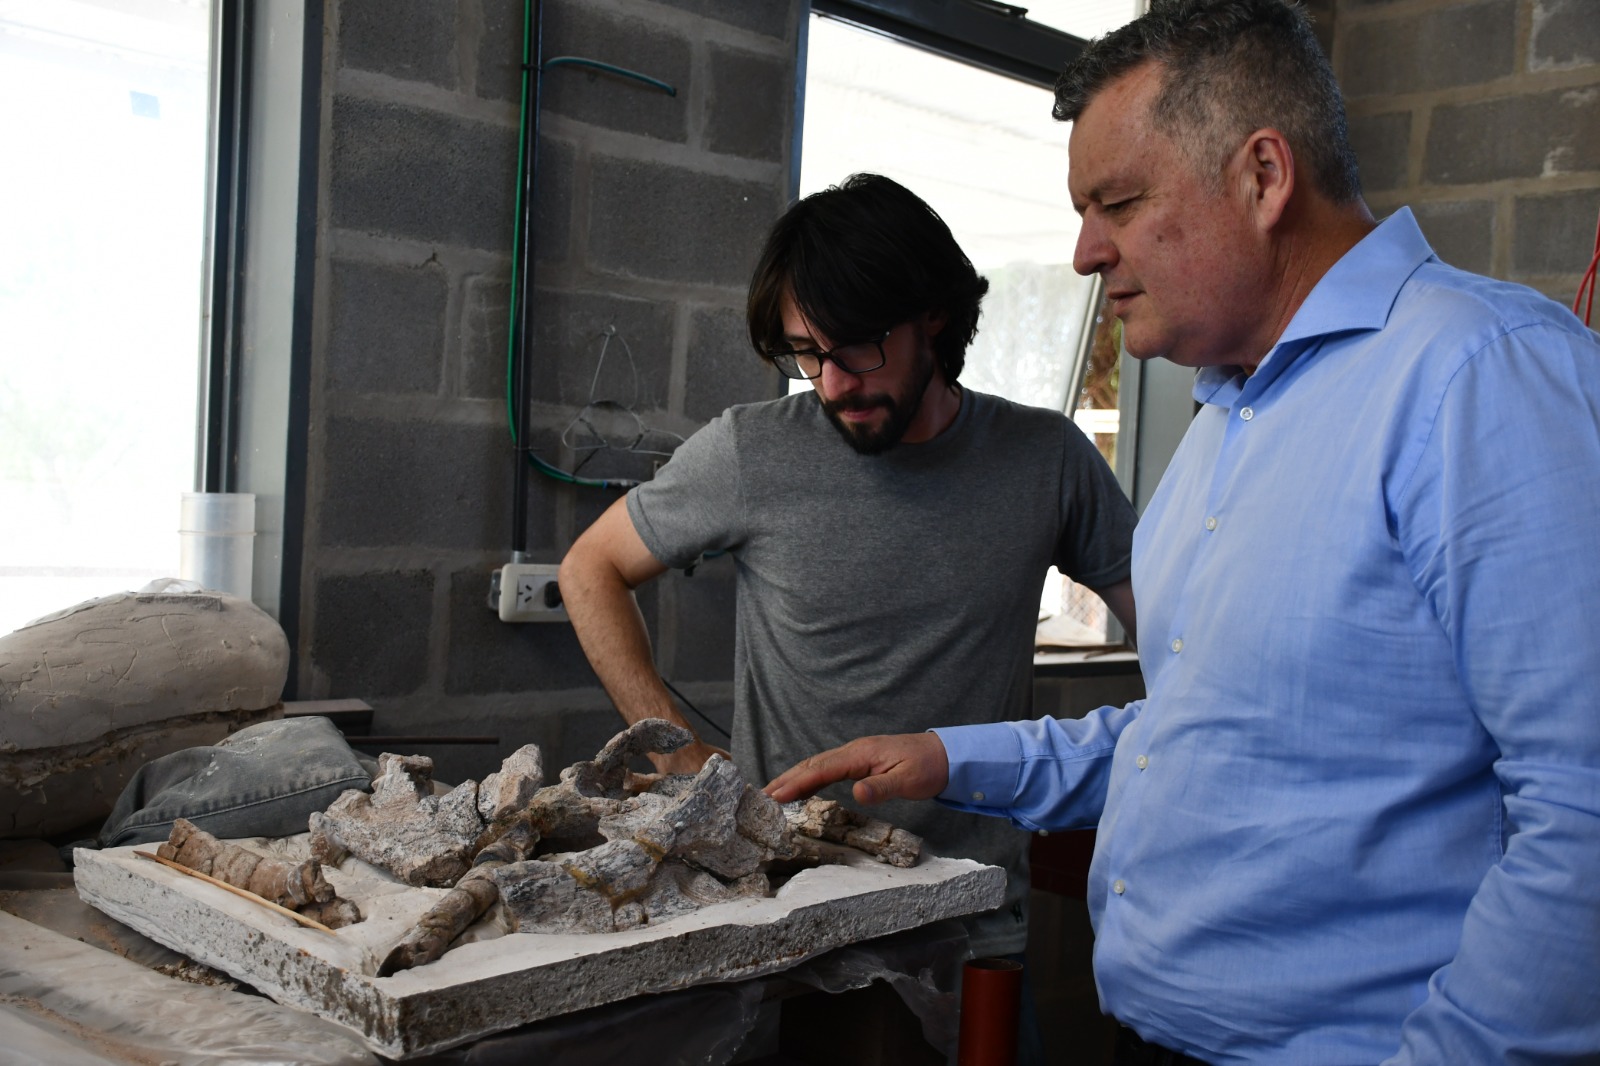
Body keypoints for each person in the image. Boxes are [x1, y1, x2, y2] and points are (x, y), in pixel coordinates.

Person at [766, 2, 1600, 1064]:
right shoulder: (1226, 420)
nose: (1082, 253)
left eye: (1117, 201)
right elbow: (1196, 743)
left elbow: (1582, 808)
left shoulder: (1479, 376)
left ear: (1262, 176)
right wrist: (945, 756)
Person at [558, 172, 1138, 972]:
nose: (833, 384)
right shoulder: (751, 449)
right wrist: (678, 755)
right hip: (787, 914)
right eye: (806, 354)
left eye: (859, 347)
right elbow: (589, 567)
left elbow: (1181, 639)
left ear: (933, 316)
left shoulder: (1048, 460)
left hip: (970, 915)